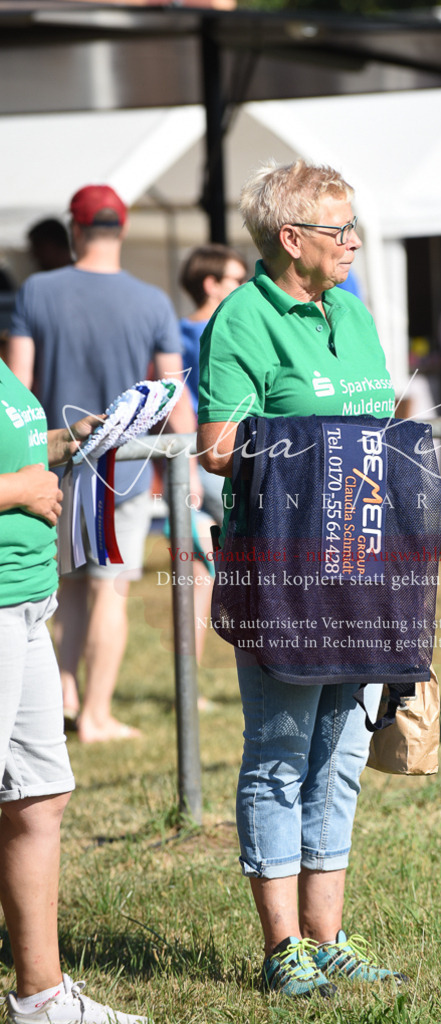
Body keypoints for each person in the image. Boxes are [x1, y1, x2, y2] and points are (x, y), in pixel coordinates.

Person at [197, 160, 406, 998]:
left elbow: (380, 420)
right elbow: (217, 448)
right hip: (282, 571)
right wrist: (314, 447)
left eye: (352, 228)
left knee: (341, 756)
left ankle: (329, 937)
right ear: (292, 239)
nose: (352, 243)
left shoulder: (350, 312)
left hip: (361, 561)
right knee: (281, 754)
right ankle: (284, 947)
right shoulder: (241, 320)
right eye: (338, 230)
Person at [6, 184, 196, 743]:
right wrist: (191, 467)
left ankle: (61, 694)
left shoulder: (36, 291)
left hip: (50, 466)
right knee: (109, 590)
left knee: (58, 590)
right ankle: (96, 714)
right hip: (128, 472)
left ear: (76, 228)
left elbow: (15, 392)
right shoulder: (152, 301)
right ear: (124, 228)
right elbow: (173, 397)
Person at [0, 360, 145, 1024]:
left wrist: (66, 442)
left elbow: (22, 446)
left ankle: (41, 999)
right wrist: (15, 492)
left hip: (27, 604)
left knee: (39, 796)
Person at [177, 244, 248, 672]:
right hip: (217, 464)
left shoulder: (174, 333)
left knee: (197, 577)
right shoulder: (222, 332)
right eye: (236, 279)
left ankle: (190, 683)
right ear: (211, 284)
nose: (244, 287)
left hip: (185, 465)